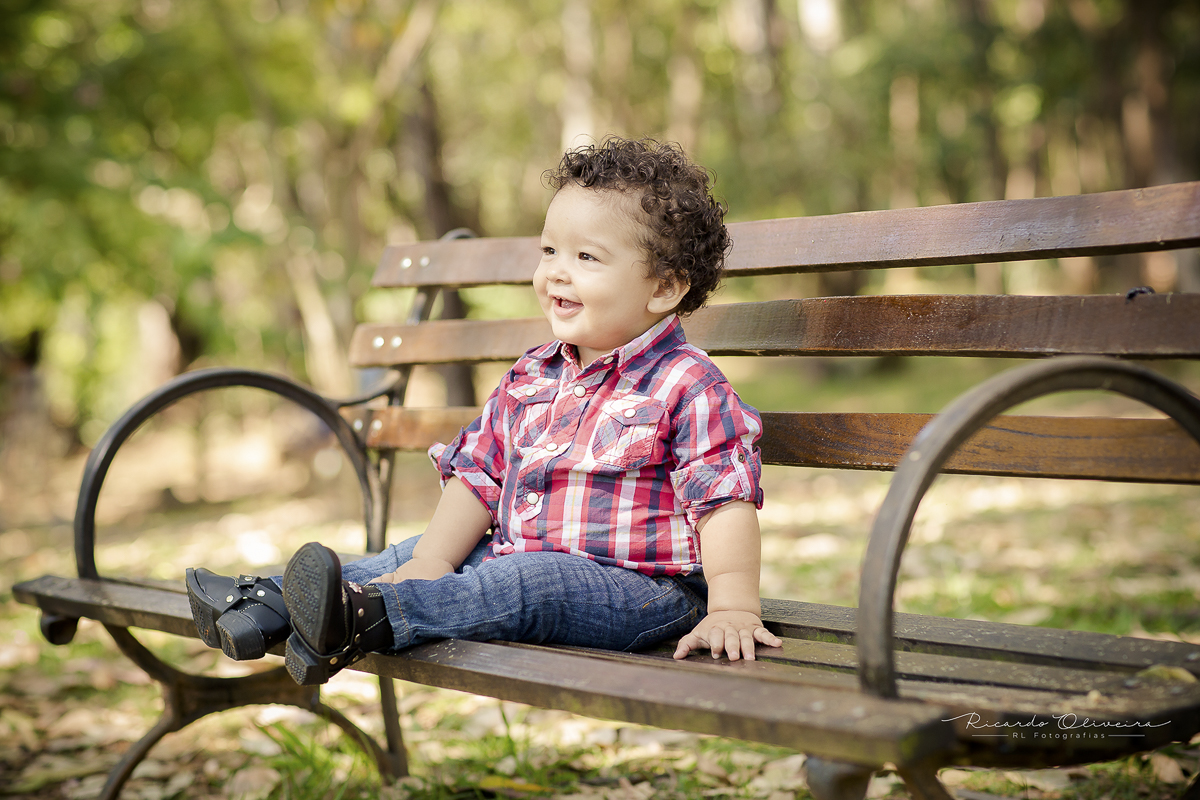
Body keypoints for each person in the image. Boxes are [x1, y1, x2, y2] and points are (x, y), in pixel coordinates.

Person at [186, 137, 783, 686]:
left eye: (587, 257)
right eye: (549, 249)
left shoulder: (688, 384)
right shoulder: (532, 375)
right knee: (412, 552)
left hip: (644, 593)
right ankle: (268, 607)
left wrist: (731, 608)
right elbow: (478, 476)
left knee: (533, 581)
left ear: (663, 288)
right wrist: (429, 560)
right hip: (517, 555)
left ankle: (364, 618)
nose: (555, 270)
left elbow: (723, 501)